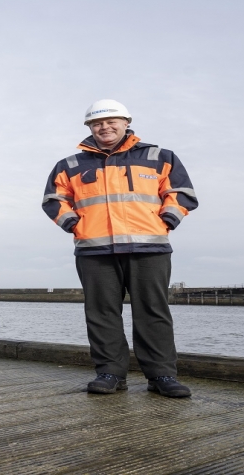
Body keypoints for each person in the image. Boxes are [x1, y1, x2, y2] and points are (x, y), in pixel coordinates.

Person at [42, 99, 198, 398]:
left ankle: (162, 375)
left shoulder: (159, 156)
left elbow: (182, 193)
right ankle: (111, 373)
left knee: (153, 311)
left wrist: (166, 219)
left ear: (127, 122)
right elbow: (53, 200)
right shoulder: (71, 164)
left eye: (112, 121)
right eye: (97, 123)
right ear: (89, 127)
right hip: (94, 249)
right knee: (101, 313)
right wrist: (74, 223)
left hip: (149, 247)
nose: (105, 127)